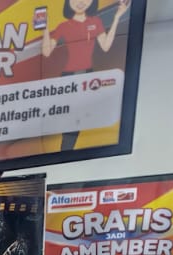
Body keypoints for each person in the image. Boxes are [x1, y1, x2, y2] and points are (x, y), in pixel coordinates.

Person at [42, 0, 131, 150]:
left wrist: (117, 17)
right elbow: (46, 51)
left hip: (88, 76)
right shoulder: (64, 26)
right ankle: (66, 151)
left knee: (79, 117)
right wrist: (45, 28)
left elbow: (106, 46)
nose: (81, 2)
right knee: (71, 117)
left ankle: (67, 151)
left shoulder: (95, 22)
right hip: (69, 77)